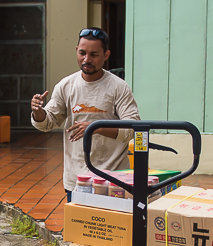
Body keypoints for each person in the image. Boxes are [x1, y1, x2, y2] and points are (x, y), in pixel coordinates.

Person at [31, 27, 140, 199]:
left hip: (113, 179)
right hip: (77, 180)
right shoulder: (65, 85)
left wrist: (95, 128)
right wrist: (38, 112)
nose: (86, 59)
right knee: (78, 225)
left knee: (112, 226)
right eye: (82, 53)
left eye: (94, 54)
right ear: (76, 51)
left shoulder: (118, 87)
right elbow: (48, 123)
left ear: (106, 55)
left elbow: (132, 129)